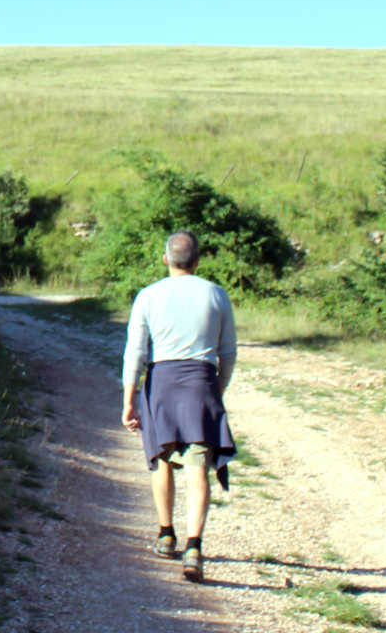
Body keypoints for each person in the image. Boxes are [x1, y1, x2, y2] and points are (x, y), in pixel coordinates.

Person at [120, 229, 236, 583]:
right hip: (201, 382)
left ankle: (166, 533)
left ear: (165, 259)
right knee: (199, 466)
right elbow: (228, 353)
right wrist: (216, 388)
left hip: (162, 384)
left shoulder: (148, 296)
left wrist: (129, 400)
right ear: (198, 261)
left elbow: (136, 352)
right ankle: (194, 546)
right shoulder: (216, 294)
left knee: (162, 460)